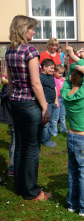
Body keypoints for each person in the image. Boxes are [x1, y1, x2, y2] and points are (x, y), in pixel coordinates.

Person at [6, 15, 50, 201]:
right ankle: (32, 192)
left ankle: (20, 186)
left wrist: (15, 98)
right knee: (31, 147)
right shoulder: (30, 51)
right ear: (24, 29)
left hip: (15, 102)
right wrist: (45, 106)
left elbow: (10, 82)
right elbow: (35, 83)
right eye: (32, 28)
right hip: (30, 103)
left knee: (20, 146)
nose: (34, 31)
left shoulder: (9, 51)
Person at [61, 46, 84, 216]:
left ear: (70, 78)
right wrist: (75, 58)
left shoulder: (65, 93)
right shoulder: (83, 93)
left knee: (73, 172)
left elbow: (71, 76)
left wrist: (73, 64)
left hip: (71, 137)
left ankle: (72, 204)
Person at [40, 59, 59, 147]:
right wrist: (44, 101)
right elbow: (40, 90)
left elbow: (54, 88)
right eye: (51, 68)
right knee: (45, 123)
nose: (53, 70)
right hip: (45, 104)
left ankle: (46, 136)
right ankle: (45, 140)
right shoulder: (41, 77)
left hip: (52, 102)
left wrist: (56, 100)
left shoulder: (51, 76)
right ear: (44, 67)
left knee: (51, 121)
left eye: (53, 68)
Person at [0, 74, 15, 176]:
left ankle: (12, 167)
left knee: (14, 142)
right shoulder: (13, 89)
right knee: (17, 143)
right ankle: (13, 167)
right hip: (16, 119)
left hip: (10, 120)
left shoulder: (5, 88)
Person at [53, 64, 67, 134]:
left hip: (63, 99)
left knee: (63, 116)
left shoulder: (63, 80)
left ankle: (63, 130)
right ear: (54, 72)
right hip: (57, 99)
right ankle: (54, 131)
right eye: (59, 73)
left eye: (62, 73)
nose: (61, 75)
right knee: (55, 117)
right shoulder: (53, 79)